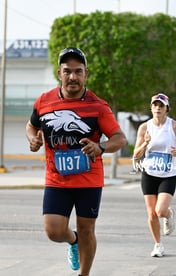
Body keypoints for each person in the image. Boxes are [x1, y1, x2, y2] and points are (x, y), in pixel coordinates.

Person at [25, 47, 127, 275]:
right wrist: (33, 139)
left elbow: (120, 139)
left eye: (78, 71)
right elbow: (31, 125)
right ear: (59, 73)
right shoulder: (44, 101)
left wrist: (100, 147)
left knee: (87, 229)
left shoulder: (98, 107)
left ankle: (84, 273)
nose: (73, 77)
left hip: (88, 180)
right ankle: (73, 241)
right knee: (53, 231)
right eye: (67, 71)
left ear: (86, 74)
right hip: (56, 178)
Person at [133, 93, 176, 258]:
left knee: (160, 210)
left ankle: (168, 214)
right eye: (155, 105)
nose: (158, 108)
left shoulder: (173, 126)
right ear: (151, 107)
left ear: (167, 108)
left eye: (161, 105)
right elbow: (136, 154)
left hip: (168, 173)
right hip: (149, 173)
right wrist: (145, 143)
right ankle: (158, 245)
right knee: (151, 213)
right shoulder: (144, 127)